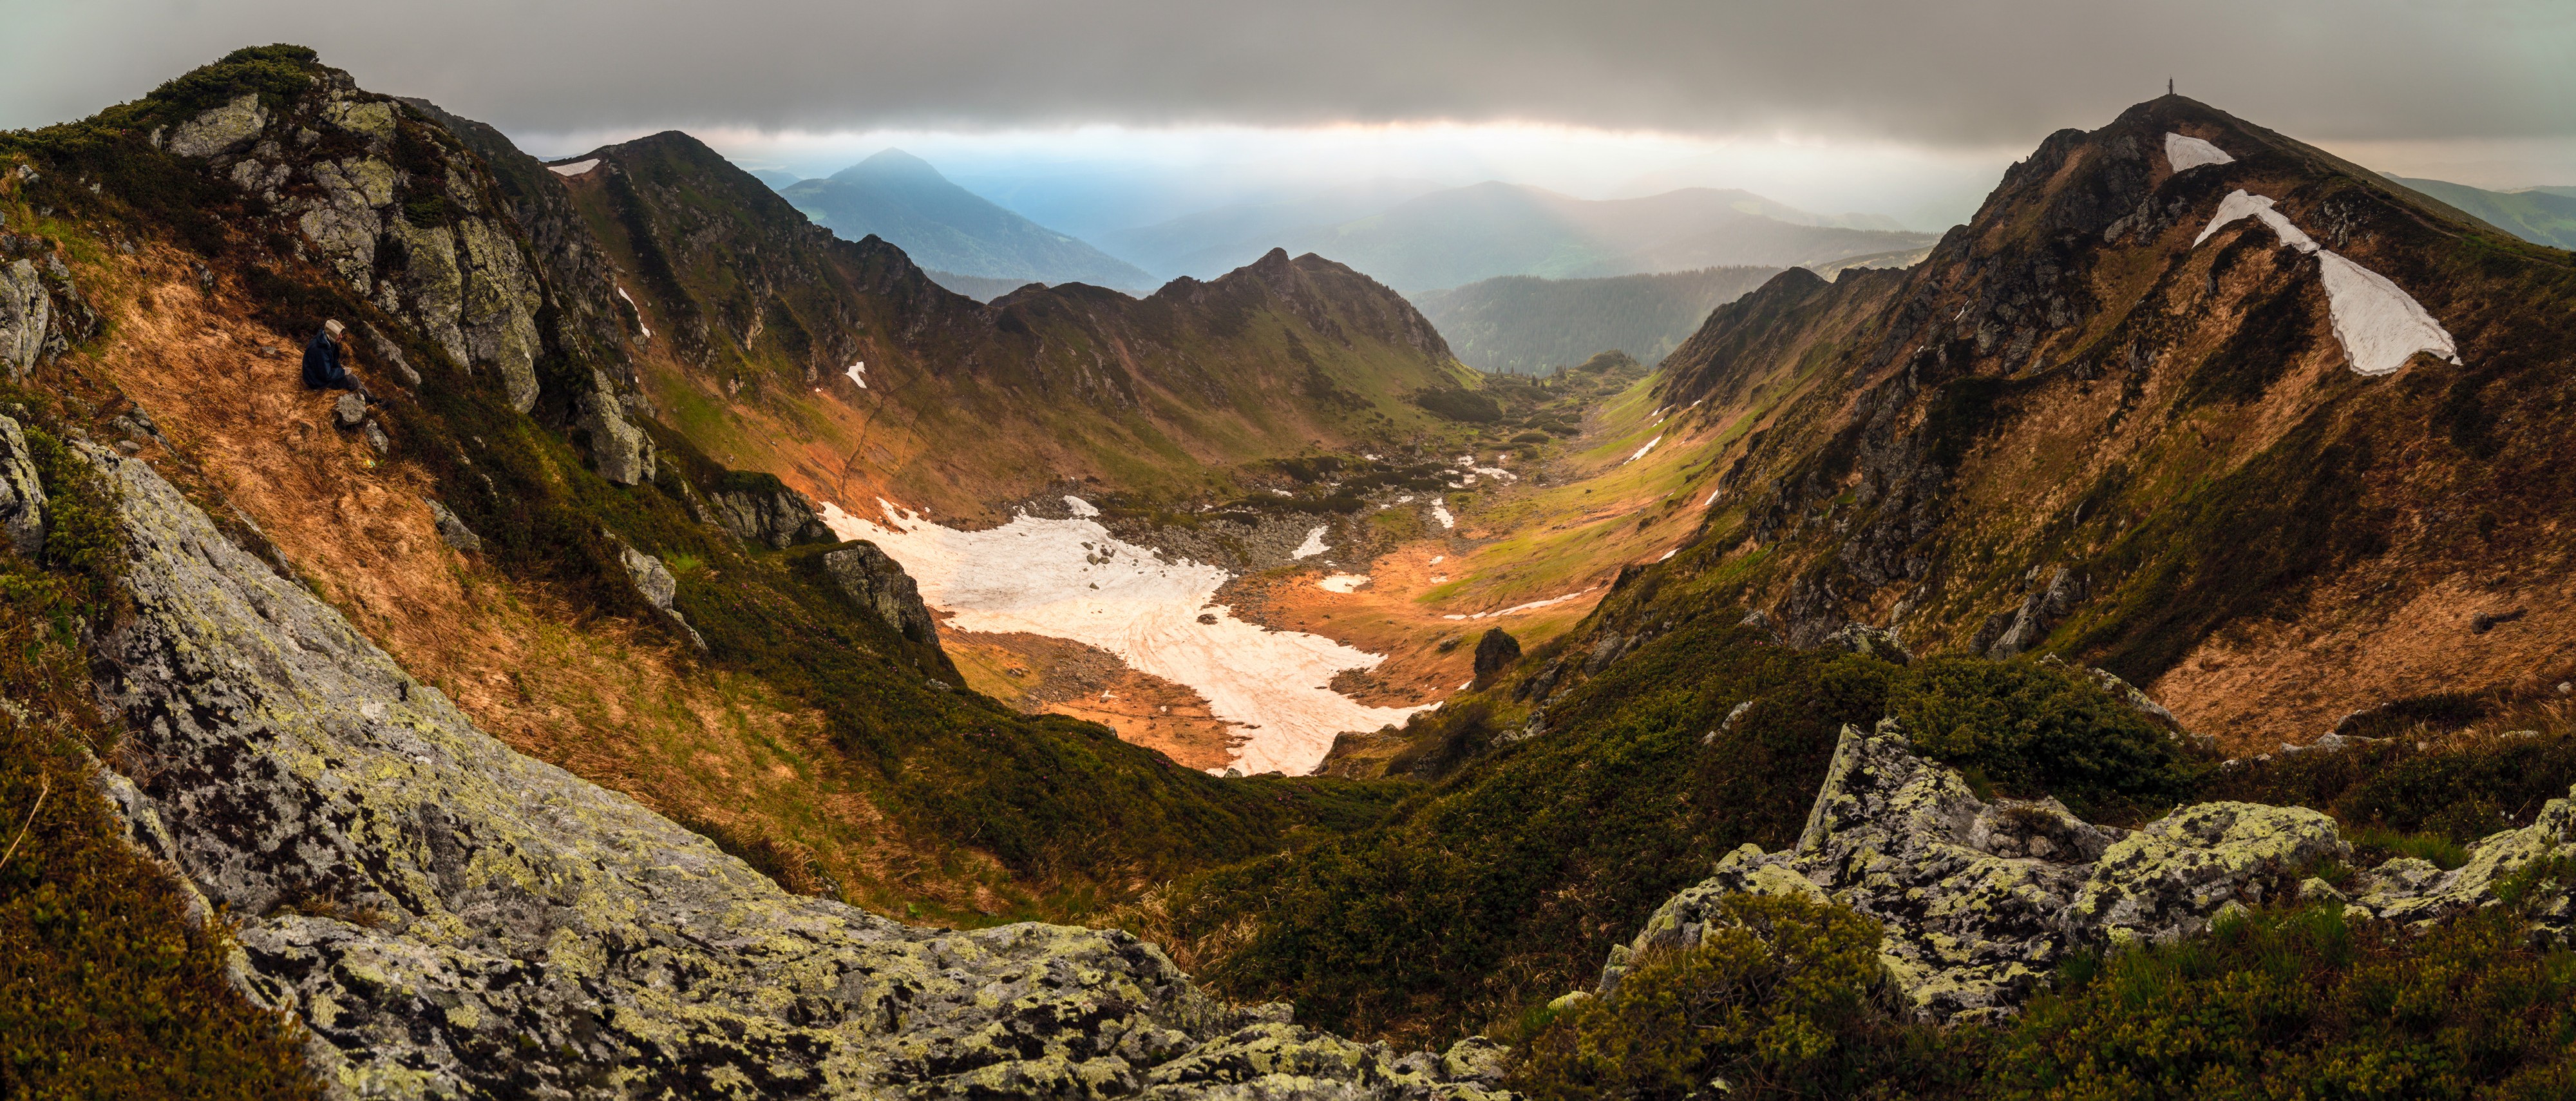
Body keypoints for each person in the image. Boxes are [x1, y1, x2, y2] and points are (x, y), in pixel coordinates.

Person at [300, 319, 371, 397]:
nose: (341, 336)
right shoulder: (320, 350)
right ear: (332, 334)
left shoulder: (327, 341)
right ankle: (373, 401)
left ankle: (371, 397)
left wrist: (341, 369)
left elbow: (333, 361)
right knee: (353, 380)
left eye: (341, 333)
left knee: (353, 378)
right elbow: (327, 376)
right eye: (338, 334)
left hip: (317, 376)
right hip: (316, 382)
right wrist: (342, 372)